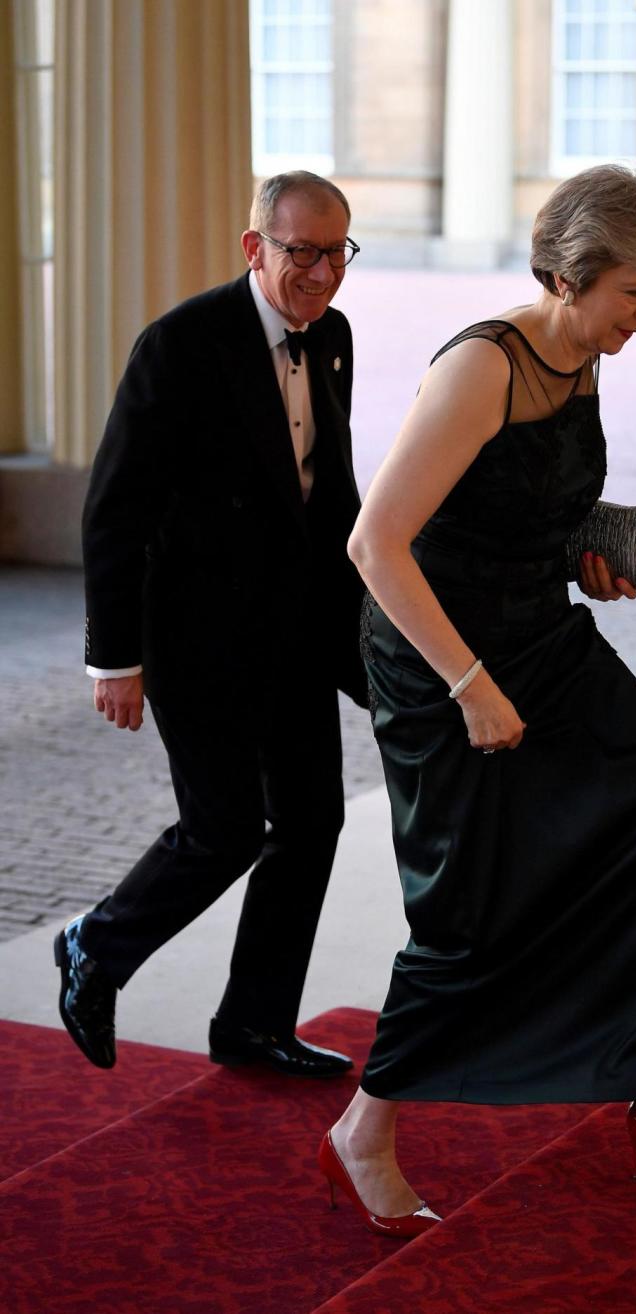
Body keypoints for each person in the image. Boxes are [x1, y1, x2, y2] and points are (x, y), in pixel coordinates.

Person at [317, 165, 636, 1240]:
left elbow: (527, 510)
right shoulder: (484, 366)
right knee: (474, 909)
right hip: (441, 657)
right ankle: (364, 1131)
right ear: (571, 277)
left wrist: (598, 549)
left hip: (537, 633)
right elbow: (375, 546)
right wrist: (469, 686)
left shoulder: (580, 355)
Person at [55, 171, 367, 1078]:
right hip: (196, 636)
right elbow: (113, 512)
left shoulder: (334, 337)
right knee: (224, 828)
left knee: (312, 825)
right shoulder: (181, 346)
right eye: (300, 250)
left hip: (299, 632)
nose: (320, 273)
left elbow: (328, 492)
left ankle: (254, 1025)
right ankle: (95, 947)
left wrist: (366, 631)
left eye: (337, 251)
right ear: (255, 248)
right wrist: (114, 658)